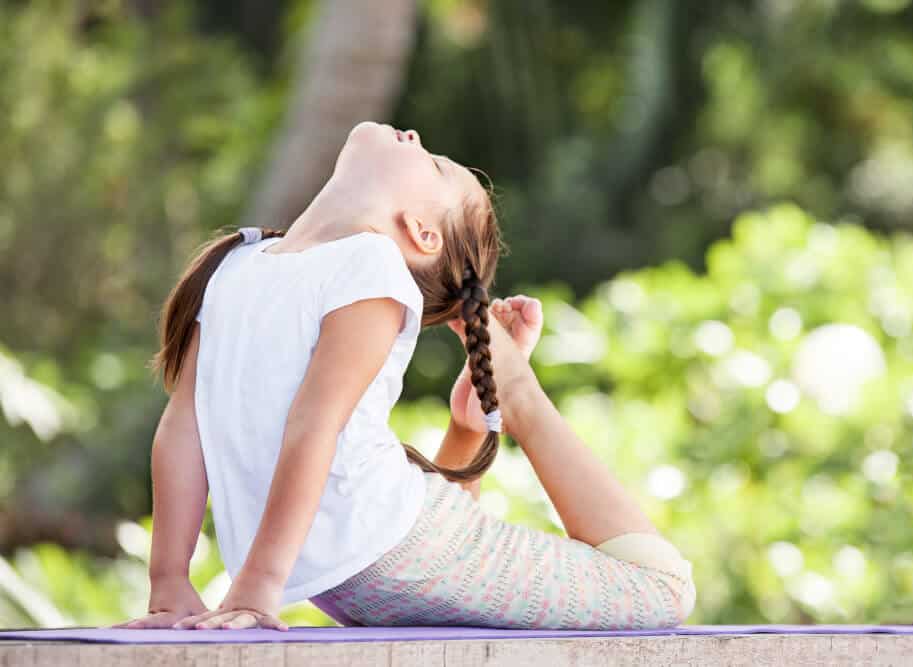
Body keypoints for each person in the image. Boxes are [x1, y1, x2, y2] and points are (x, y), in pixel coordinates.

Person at [112, 121, 695, 632]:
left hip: (379, 562)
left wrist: (258, 586)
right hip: (378, 565)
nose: (416, 138)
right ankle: (482, 416)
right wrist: (168, 583)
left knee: (664, 589)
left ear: (421, 233)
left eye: (437, 164)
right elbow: (184, 425)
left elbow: (319, 427)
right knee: (654, 586)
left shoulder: (369, 265)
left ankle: (516, 396)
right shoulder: (234, 262)